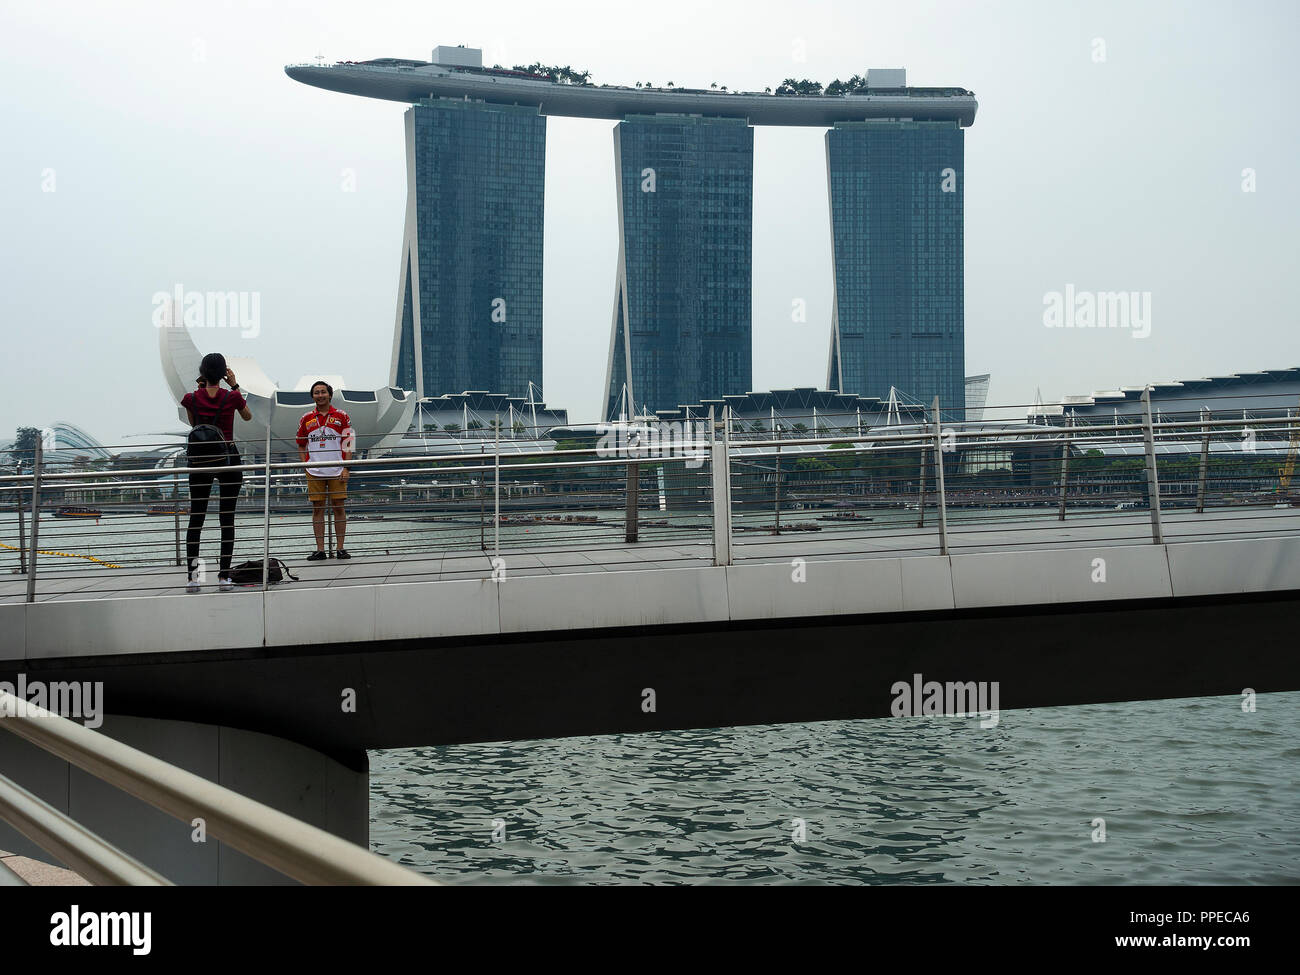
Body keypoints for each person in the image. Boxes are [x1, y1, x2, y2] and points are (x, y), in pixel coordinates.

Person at [180, 353, 251, 592]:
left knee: (196, 519)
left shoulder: (191, 398)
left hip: (200, 461)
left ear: (202, 372)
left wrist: (199, 391)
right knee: (226, 519)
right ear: (223, 373)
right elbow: (248, 416)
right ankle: (223, 578)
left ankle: (194, 578)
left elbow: (194, 425)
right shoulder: (231, 397)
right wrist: (235, 385)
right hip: (228, 458)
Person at [295, 380, 353, 560]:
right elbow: (301, 444)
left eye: (323, 392)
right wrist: (306, 466)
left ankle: (340, 548)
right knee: (317, 509)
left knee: (339, 508)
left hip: (338, 470)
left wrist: (346, 467)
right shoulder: (306, 418)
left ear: (329, 394)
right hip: (314, 471)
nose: (320, 395)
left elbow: (348, 443)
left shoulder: (342, 416)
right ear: (312, 396)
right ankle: (320, 549)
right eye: (316, 393)